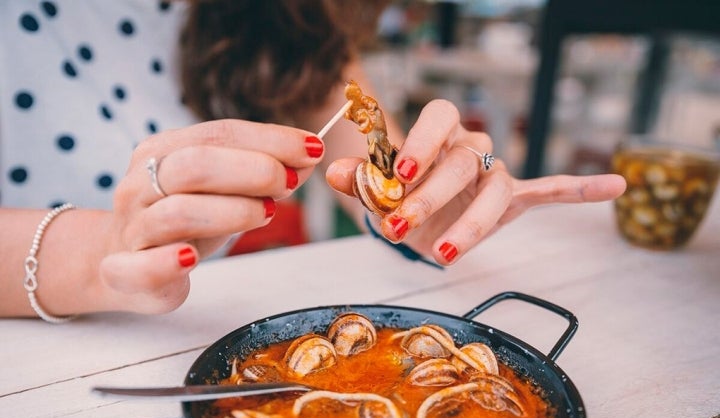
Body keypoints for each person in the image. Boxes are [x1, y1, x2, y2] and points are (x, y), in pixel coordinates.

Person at [0, 0, 625, 321]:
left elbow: (381, 171)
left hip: (212, 336)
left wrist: (433, 198)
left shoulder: (288, 16)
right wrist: (101, 250)